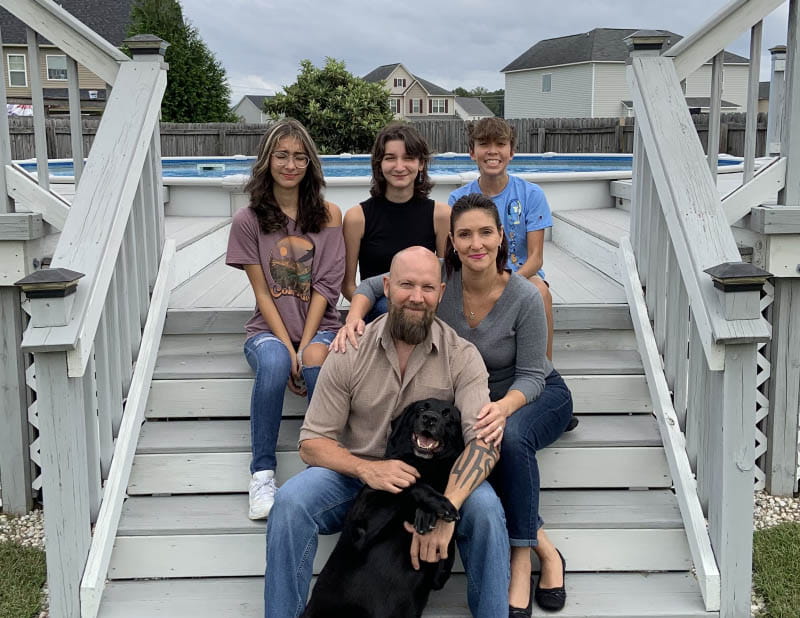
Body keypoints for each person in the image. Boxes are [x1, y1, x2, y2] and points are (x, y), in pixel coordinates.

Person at [336, 193, 574, 615]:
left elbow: (535, 375)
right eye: (464, 235)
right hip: (476, 393)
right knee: (479, 440)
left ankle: (529, 555)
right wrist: (356, 314)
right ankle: (538, 544)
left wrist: (503, 407)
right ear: (451, 241)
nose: (475, 243)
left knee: (509, 437)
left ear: (502, 237)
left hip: (534, 392)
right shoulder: (440, 283)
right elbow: (377, 284)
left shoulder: (525, 296)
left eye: (485, 232)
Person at [265, 246, 510, 618]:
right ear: (387, 286)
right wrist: (367, 470)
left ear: (441, 293)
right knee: (290, 503)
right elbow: (312, 443)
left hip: (433, 485)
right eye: (406, 285)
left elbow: (484, 443)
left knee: (488, 509)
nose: (416, 297)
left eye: (428, 287)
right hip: (355, 478)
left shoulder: (461, 356)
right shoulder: (350, 349)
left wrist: (447, 510)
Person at [226, 118, 344, 520]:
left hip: (323, 327)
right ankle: (262, 472)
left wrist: (305, 344)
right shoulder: (248, 220)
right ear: (267, 161)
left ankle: (327, 466)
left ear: (310, 163)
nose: (290, 164)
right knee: (276, 362)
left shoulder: (329, 214)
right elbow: (262, 292)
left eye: (299, 157)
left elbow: (327, 288)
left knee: (315, 364)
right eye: (282, 155)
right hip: (268, 331)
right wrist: (288, 347)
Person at [448, 117, 556, 360]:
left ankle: (545, 368)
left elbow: (536, 258)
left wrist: (507, 286)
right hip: (475, 276)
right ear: (472, 152)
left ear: (512, 151)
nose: (493, 151)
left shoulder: (531, 194)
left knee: (540, 292)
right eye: (484, 144)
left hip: (521, 275)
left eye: (501, 143)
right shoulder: (458, 199)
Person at [342, 123, 451, 318]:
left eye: (408, 158)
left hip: (422, 312)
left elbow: (443, 279)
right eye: (390, 158)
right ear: (379, 164)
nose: (399, 167)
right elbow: (348, 285)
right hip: (377, 311)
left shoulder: (440, 215)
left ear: (421, 164)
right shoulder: (357, 218)